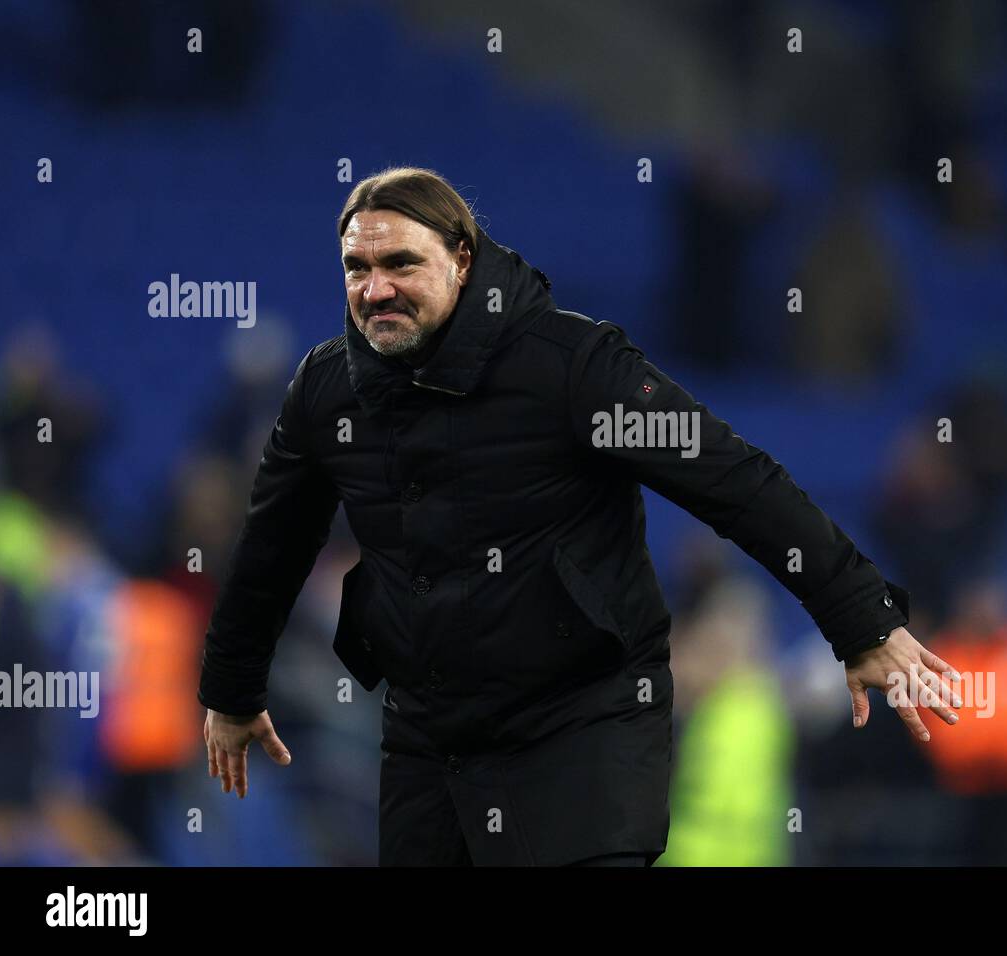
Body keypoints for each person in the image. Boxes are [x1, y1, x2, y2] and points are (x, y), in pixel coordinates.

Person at [198, 166, 961, 866]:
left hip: (582, 734)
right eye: (357, 269)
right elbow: (273, 544)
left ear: (463, 261)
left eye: (400, 263)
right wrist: (232, 691)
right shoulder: (330, 390)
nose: (375, 289)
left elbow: (732, 479)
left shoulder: (575, 370)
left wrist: (859, 618)